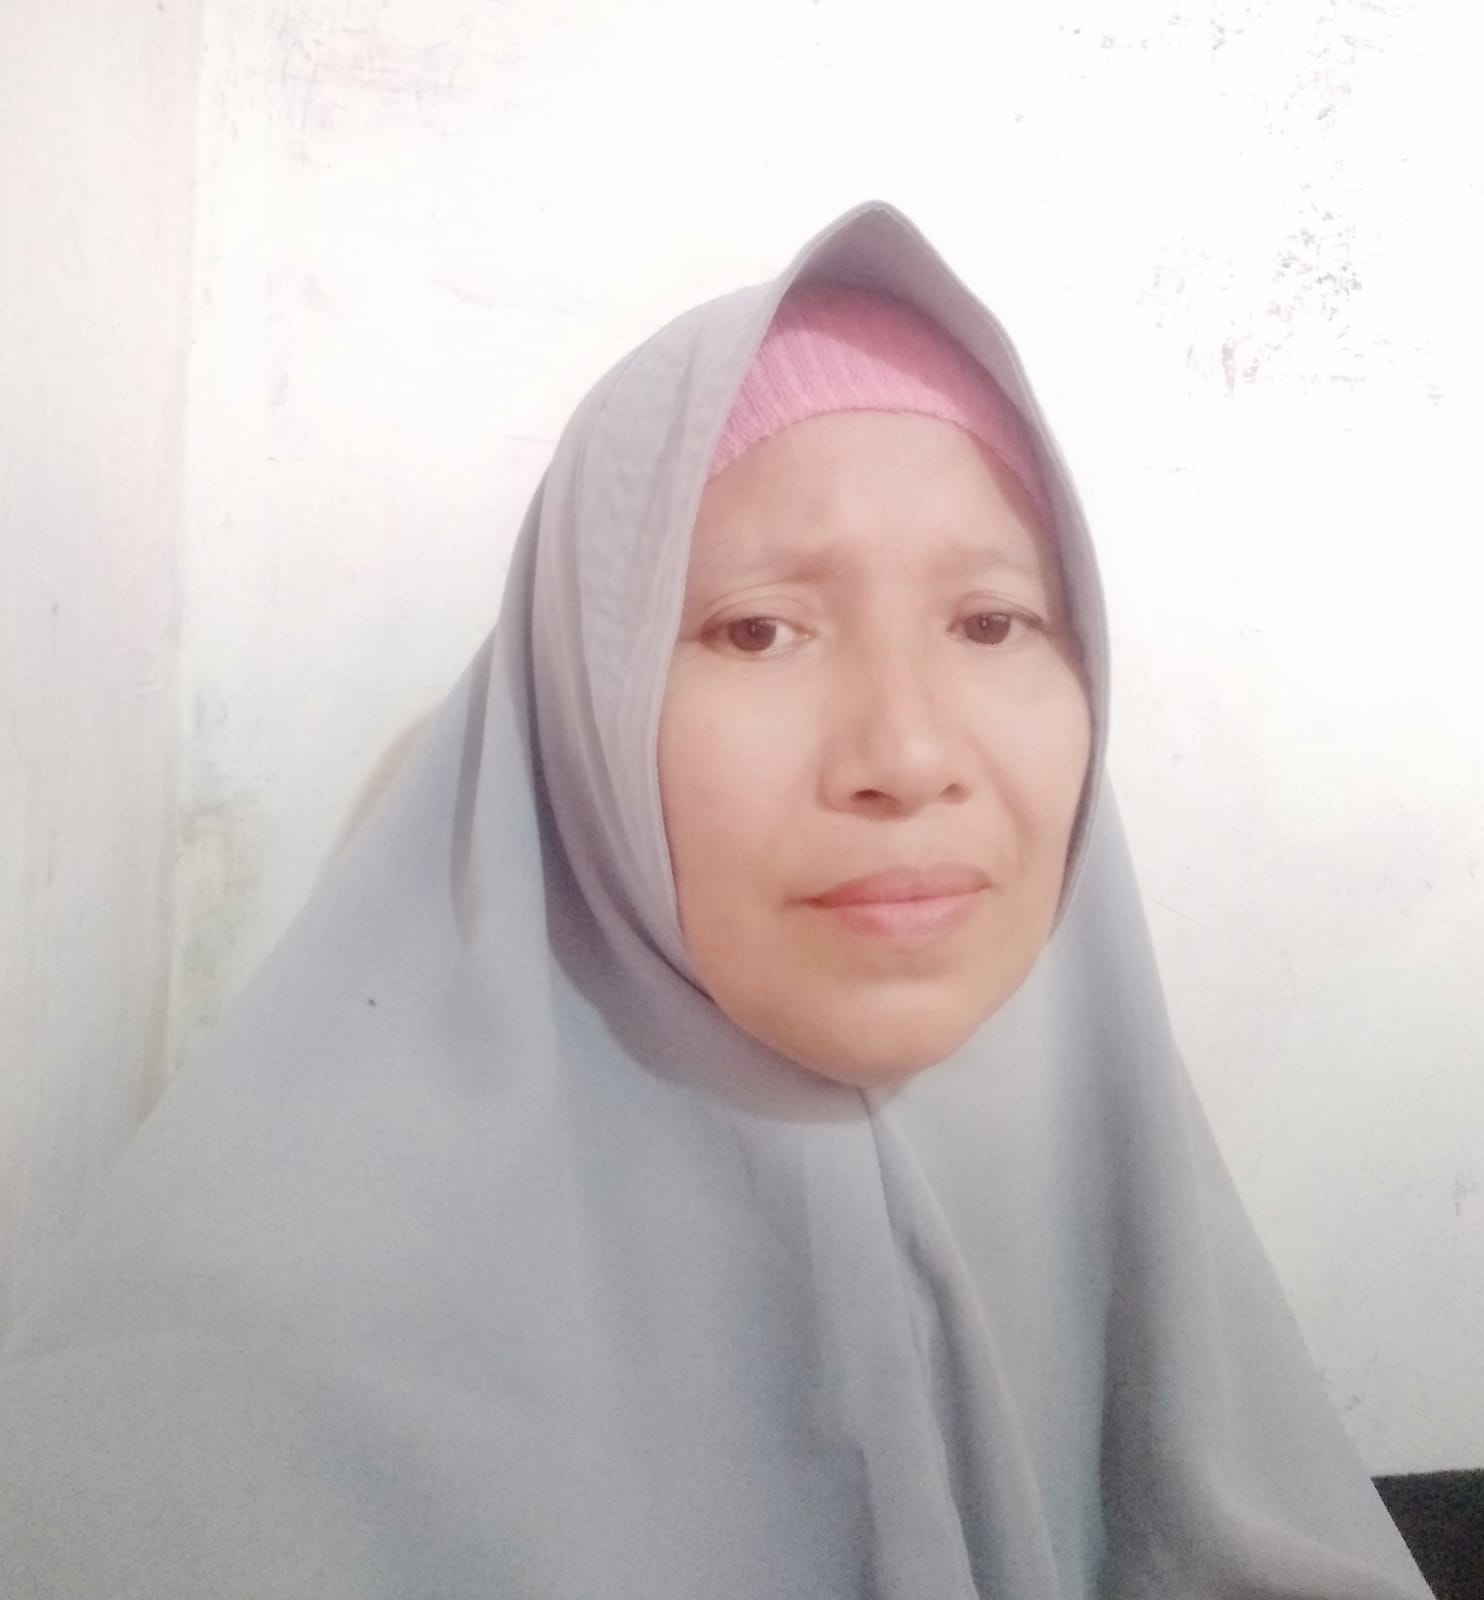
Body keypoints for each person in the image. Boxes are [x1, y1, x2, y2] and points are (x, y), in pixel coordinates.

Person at [0, 200, 1432, 1598]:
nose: (907, 754)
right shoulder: (238, 1389)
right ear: (583, 713)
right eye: (758, 629)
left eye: (993, 620)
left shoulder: (1117, 1200)